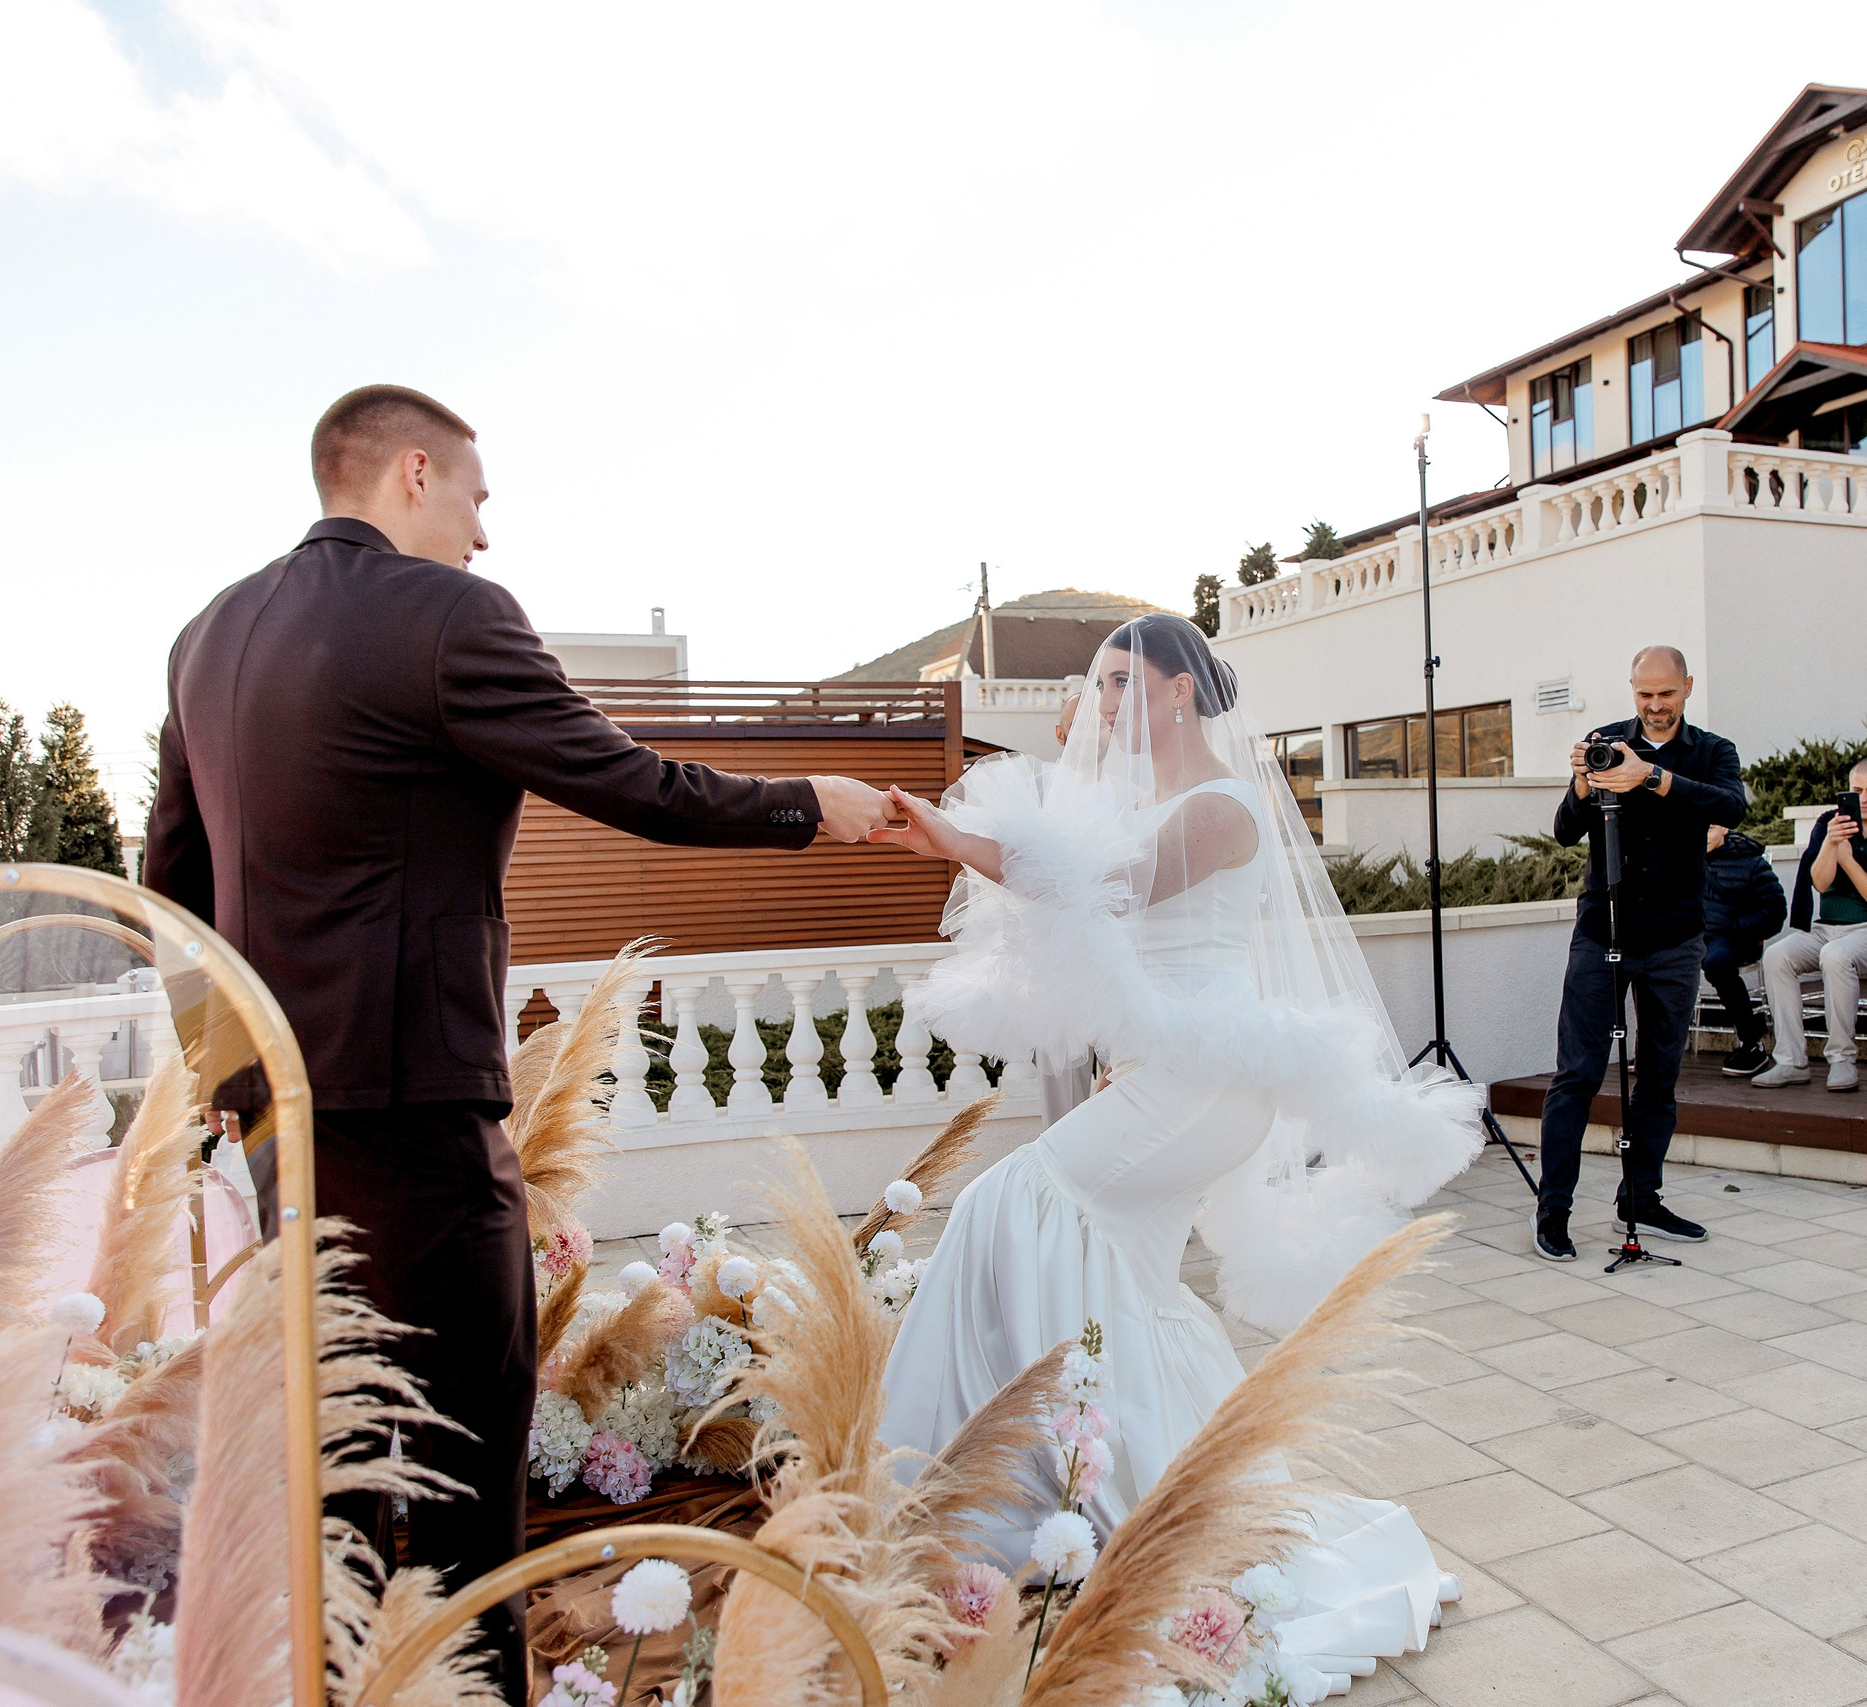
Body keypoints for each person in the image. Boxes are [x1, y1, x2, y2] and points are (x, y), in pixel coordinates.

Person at [143, 385, 893, 1701]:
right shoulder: (450, 617)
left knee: (332, 1456)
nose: (485, 536)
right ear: (413, 472)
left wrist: (229, 1082)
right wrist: (808, 804)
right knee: (460, 1468)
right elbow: (631, 781)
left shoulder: (206, 638)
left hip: (277, 1140)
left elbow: (171, 887)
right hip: (419, 1132)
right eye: (478, 499)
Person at [867, 613, 1474, 1673]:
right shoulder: (1149, 802)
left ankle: (1064, 1485)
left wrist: (956, 839)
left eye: (1117, 683)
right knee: (1128, 1284)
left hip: (1211, 1082)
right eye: (1094, 687)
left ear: (1178, 690)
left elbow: (1109, 888)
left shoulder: (1221, 808)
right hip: (1172, 1073)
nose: (1101, 706)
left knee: (1014, 1205)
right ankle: (1173, 1500)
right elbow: (1116, 943)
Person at [1531, 647, 1746, 1259]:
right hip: (1603, 929)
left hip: (1676, 938)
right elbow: (1566, 830)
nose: (1655, 706)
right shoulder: (1605, 743)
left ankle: (1641, 1198)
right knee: (1575, 1074)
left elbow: (1731, 806)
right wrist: (1582, 782)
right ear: (1632, 690)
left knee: (1659, 1077)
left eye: (1666, 694)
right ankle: (1553, 1211)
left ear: (1687, 688)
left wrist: (1649, 778)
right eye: (1644, 694)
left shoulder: (1712, 752)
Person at [1755, 758, 1867, 1093]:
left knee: (1836, 956)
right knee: (1777, 955)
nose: (1864, 798)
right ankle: (1791, 1060)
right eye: (1857, 790)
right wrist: (1829, 845)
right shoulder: (1830, 824)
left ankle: (1841, 1059)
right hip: (1827, 928)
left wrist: (1849, 860)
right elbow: (1820, 884)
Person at [1031, 689, 1098, 1130]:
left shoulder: (1141, 788)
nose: (1090, 740)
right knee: (1062, 1113)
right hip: (1059, 972)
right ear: (1060, 734)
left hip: (1129, 968)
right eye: (1079, 730)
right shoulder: (1038, 792)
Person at [1704, 824, 1789, 1079]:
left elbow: (1775, 911)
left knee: (1717, 963)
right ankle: (1650, 1048)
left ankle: (1751, 1043)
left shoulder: (1750, 863)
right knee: (1647, 958)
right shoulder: (1678, 859)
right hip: (1688, 937)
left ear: (1723, 828)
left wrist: (1734, 926)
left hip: (1731, 938)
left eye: (1706, 828)